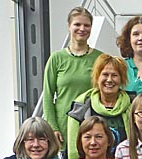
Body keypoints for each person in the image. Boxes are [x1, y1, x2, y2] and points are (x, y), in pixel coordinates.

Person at [42, 7, 102, 151]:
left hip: (90, 126)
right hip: (63, 128)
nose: (82, 28)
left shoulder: (100, 58)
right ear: (69, 26)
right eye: (77, 24)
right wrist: (53, 127)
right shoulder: (56, 58)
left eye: (86, 25)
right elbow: (48, 96)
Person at [67, 54, 131, 159]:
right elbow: (74, 149)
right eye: (105, 74)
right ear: (97, 77)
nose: (109, 80)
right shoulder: (82, 105)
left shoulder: (132, 104)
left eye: (114, 75)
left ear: (121, 79)